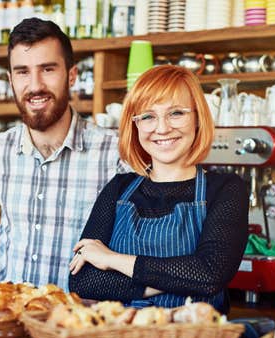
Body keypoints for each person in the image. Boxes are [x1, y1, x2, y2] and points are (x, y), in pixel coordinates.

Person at [0, 18, 125, 287]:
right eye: (22, 72)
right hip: (10, 319)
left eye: (47, 69)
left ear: (72, 75)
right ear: (10, 80)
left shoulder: (114, 153)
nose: (35, 85)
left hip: (77, 322)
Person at [68, 65, 248, 313]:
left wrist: (111, 260)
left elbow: (210, 274)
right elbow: (84, 281)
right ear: (136, 125)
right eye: (148, 116)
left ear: (197, 118)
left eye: (176, 113)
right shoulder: (118, 188)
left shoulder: (226, 189)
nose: (162, 128)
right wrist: (179, 278)